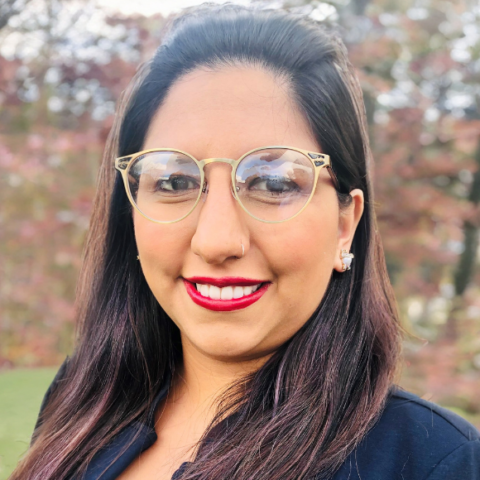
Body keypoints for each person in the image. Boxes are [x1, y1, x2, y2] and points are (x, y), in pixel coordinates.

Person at [11, 3, 480, 480]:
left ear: (345, 224)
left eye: (273, 184)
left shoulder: (434, 461)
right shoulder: (84, 398)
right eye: (173, 182)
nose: (217, 241)